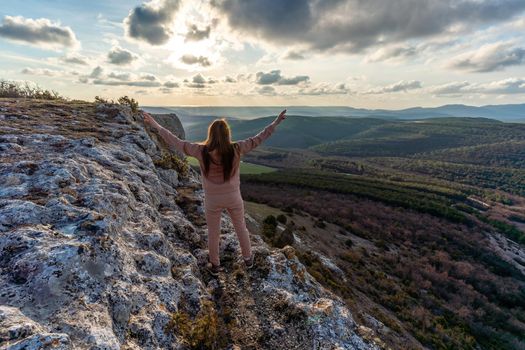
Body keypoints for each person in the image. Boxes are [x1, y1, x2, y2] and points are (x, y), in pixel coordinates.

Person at [142, 110, 287, 275]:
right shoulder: (237, 149)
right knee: (241, 228)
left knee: (213, 233)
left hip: (212, 200)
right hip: (233, 197)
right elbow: (259, 138)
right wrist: (275, 123)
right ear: (227, 135)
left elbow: (175, 141)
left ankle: (215, 265)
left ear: (210, 134)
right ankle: (248, 260)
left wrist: (154, 124)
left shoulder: (201, 151)